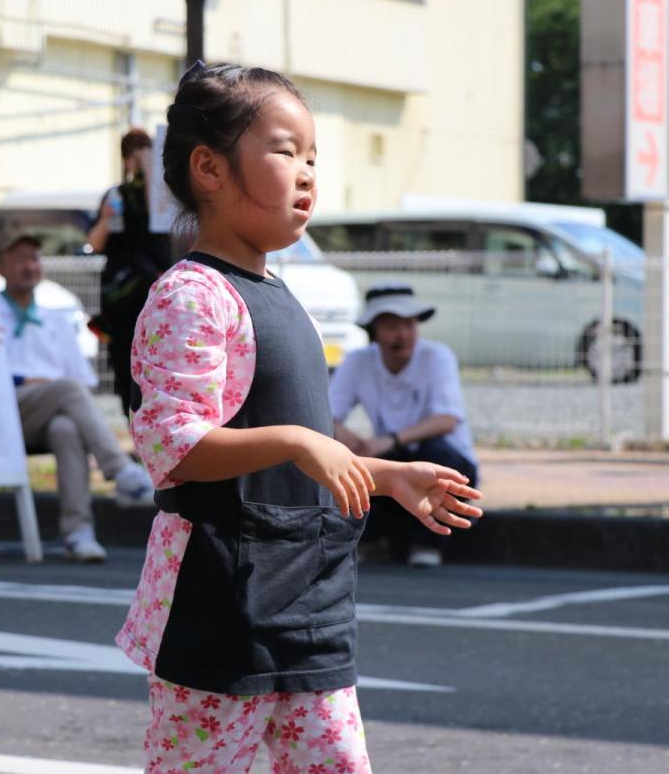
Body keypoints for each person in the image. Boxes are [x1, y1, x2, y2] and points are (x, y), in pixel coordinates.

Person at [115, 62, 483, 774]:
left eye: (313, 156)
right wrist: (300, 440)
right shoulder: (191, 293)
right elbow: (172, 446)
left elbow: (300, 447)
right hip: (218, 596)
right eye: (286, 151)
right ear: (209, 168)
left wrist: (383, 474)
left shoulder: (279, 291)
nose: (308, 173)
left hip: (308, 593)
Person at [0, 234, 155, 563]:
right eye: (20, 258)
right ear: (0, 266)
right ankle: (120, 470)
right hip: (5, 409)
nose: (30, 266)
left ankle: (78, 532)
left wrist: (51, 387)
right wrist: (28, 380)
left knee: (66, 429)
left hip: (50, 409)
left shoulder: (56, 315)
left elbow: (83, 379)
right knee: (66, 389)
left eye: (34, 258)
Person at [331, 283, 480, 569]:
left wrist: (391, 440)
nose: (403, 334)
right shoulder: (358, 361)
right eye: (391, 326)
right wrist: (346, 435)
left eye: (409, 324)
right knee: (345, 461)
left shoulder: (437, 356)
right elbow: (326, 413)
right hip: (393, 457)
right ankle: (372, 538)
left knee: (437, 454)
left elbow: (447, 419)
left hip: (445, 460)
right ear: (374, 331)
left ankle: (426, 543)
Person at [86, 128, 172, 417]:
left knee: (160, 364)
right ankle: (134, 429)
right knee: (125, 367)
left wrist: (150, 168)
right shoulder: (116, 196)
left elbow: (157, 212)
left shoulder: (164, 194)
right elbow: (94, 243)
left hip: (157, 291)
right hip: (123, 297)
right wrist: (108, 217)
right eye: (135, 152)